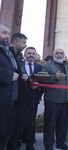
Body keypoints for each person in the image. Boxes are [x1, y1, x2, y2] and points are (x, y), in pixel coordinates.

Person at [41, 48, 68, 150]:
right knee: (50, 124)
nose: (59, 55)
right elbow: (42, 79)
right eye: (57, 53)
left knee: (63, 124)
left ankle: (60, 143)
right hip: (52, 100)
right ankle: (48, 145)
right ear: (53, 54)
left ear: (64, 55)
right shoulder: (47, 65)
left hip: (66, 100)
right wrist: (54, 77)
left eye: (61, 53)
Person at [7, 33, 35, 150]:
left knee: (18, 126)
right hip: (10, 98)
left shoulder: (17, 56)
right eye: (23, 43)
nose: (25, 45)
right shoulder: (8, 54)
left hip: (21, 99)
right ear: (16, 42)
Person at [0, 21, 19, 149]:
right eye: (4, 33)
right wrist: (8, 75)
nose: (7, 36)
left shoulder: (7, 50)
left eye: (8, 33)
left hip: (9, 99)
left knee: (6, 131)